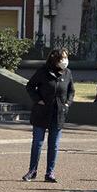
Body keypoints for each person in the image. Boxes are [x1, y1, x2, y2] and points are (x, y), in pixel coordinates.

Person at [23, 49, 75, 183]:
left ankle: (50, 173)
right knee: (37, 143)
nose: (65, 61)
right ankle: (32, 171)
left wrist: (67, 104)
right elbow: (30, 86)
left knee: (54, 145)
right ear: (55, 60)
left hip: (58, 114)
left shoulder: (68, 73)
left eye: (66, 58)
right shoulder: (43, 72)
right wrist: (38, 100)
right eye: (62, 58)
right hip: (41, 113)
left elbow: (71, 91)